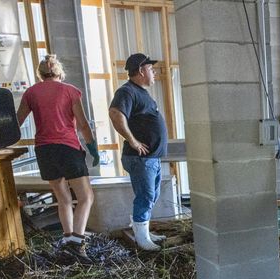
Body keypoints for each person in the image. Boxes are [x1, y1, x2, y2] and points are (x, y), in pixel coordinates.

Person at [16, 54, 99, 261]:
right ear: (59, 72)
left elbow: (17, 121)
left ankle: (68, 238)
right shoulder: (70, 91)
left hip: (45, 150)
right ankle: (78, 243)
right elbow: (82, 124)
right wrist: (92, 148)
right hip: (67, 149)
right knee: (86, 197)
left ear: (40, 73)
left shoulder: (31, 93)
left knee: (63, 198)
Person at [108, 53, 169, 251]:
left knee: (151, 195)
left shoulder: (141, 92)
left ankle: (143, 231)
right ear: (141, 70)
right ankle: (142, 240)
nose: (153, 73)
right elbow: (116, 113)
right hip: (140, 158)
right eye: (151, 69)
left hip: (151, 158)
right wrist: (133, 141)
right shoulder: (127, 91)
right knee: (145, 195)